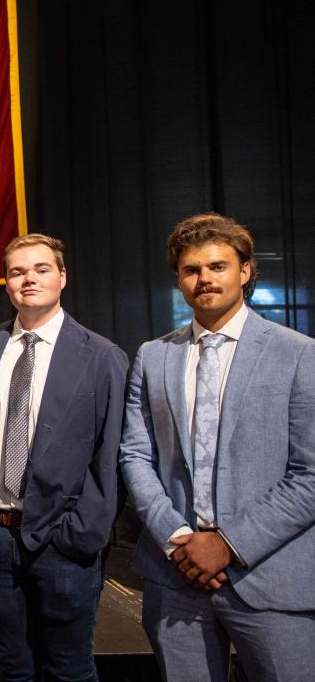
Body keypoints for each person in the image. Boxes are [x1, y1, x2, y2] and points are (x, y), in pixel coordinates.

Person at [120, 212, 315, 682]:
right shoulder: (153, 355)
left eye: (218, 266)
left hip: (270, 578)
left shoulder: (299, 353)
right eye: (191, 270)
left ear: (245, 271)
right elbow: (135, 455)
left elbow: (309, 474)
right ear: (180, 280)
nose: (204, 278)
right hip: (176, 576)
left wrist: (229, 544)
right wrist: (180, 540)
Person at [0, 234, 128, 682]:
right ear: (6, 284)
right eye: (18, 272)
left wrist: (81, 534)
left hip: (64, 545)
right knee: (14, 668)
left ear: (62, 277)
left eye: (41, 269)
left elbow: (112, 455)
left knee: (69, 670)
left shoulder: (101, 357)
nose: (29, 279)